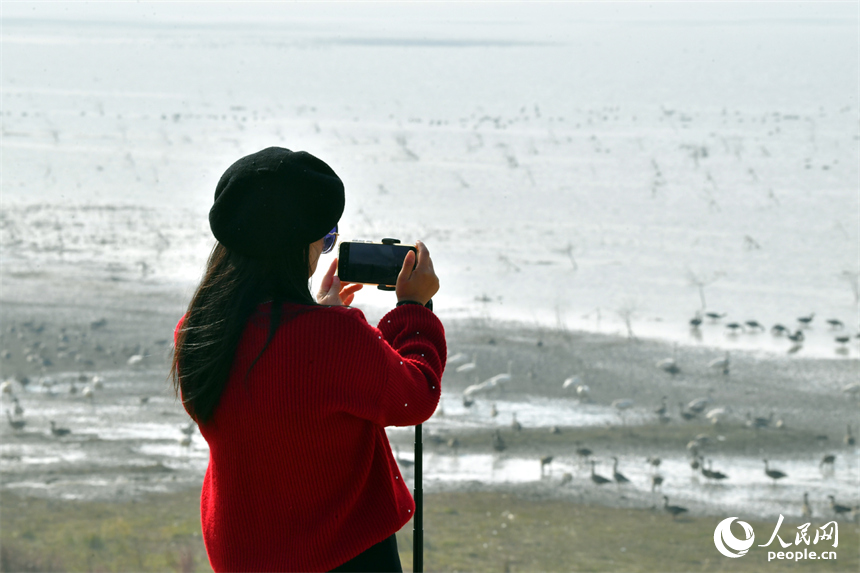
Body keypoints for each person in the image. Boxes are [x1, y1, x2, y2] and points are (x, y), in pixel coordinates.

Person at [170, 147, 446, 572]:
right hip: (344, 558)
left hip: (243, 557)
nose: (324, 249)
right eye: (327, 238)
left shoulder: (198, 330)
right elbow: (413, 396)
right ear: (299, 248)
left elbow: (279, 396)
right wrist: (412, 309)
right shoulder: (334, 338)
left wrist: (317, 311)